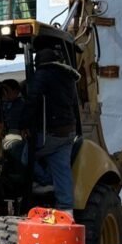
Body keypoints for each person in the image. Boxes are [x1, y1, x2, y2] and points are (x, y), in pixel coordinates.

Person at [22, 47, 82, 214]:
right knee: (62, 168)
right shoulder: (69, 77)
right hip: (68, 131)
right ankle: (66, 210)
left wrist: (24, 125)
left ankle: (44, 183)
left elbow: (32, 99)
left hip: (49, 132)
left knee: (26, 156)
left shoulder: (42, 74)